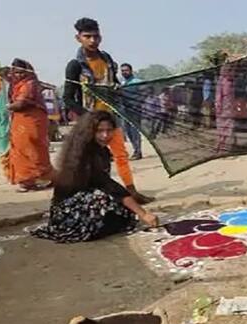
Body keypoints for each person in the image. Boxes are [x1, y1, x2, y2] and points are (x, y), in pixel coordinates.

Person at [63, 17, 154, 204]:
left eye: (96, 36)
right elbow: (67, 98)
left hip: (111, 118)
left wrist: (118, 91)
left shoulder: (107, 60)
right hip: (90, 123)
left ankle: (132, 192)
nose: (92, 41)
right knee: (92, 161)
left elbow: (115, 85)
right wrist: (87, 116)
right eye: (87, 37)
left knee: (121, 156)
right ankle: (94, 196)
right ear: (78, 38)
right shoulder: (75, 65)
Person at [31, 111, 159, 243]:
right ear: (90, 131)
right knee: (103, 198)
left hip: (86, 200)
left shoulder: (101, 150)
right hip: (67, 210)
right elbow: (109, 186)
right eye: (100, 131)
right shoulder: (83, 154)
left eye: (109, 130)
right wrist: (142, 213)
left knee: (122, 209)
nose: (105, 135)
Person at [6, 58, 53, 192]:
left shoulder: (29, 84)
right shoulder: (17, 85)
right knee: (23, 148)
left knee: (31, 148)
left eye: (21, 72)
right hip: (22, 121)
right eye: (16, 72)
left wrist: (9, 106)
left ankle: (30, 180)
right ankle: (34, 179)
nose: (18, 75)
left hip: (31, 121)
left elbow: (21, 103)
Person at [119, 63, 143, 160]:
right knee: (128, 132)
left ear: (131, 71)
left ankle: (138, 152)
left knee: (134, 131)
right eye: (122, 71)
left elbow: (144, 93)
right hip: (125, 111)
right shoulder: (122, 84)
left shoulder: (137, 82)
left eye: (126, 70)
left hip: (135, 110)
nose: (124, 72)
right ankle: (135, 150)